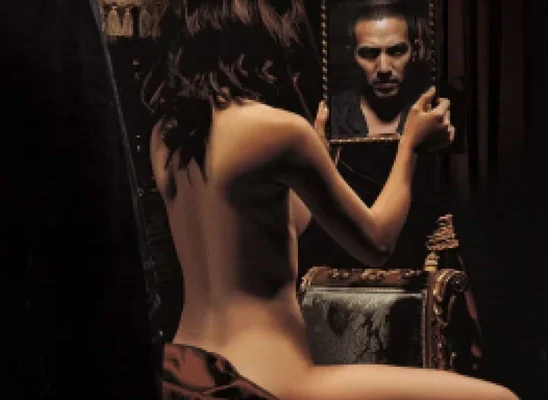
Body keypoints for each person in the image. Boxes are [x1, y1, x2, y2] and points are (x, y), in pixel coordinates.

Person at [141, 1, 517, 399]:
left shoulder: (166, 135)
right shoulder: (278, 129)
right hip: (267, 379)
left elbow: (284, 223)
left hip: (185, 370)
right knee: (500, 398)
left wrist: (318, 156)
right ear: (256, 37)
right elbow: (377, 244)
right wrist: (410, 145)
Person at [330, 0, 430, 138]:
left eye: (397, 52)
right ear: (351, 54)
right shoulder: (332, 115)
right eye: (369, 54)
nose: (383, 68)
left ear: (415, 51)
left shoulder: (432, 110)